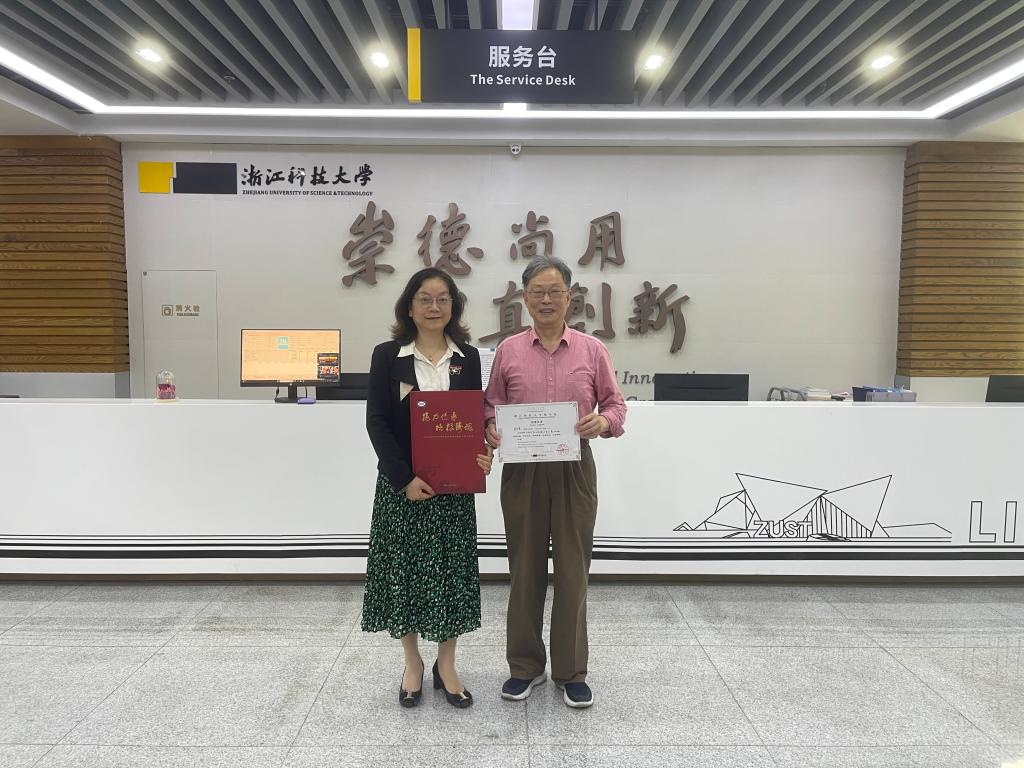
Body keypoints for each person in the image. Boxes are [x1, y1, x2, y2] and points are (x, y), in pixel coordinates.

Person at [484, 255, 627, 709]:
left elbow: (616, 406)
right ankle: (525, 667)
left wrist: (602, 423)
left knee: (572, 572)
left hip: (574, 468)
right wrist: (491, 427)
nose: (546, 299)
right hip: (522, 470)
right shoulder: (508, 350)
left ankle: (571, 671)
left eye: (554, 291)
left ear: (569, 297)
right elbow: (490, 405)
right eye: (537, 292)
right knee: (524, 570)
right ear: (525, 299)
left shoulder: (592, 349)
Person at [362, 267, 493, 709]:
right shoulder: (388, 355)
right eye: (425, 298)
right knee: (404, 575)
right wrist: (403, 478)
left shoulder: (468, 357)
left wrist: (482, 454)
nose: (434, 307)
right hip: (402, 488)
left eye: (442, 299)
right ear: (409, 306)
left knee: (451, 575)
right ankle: (413, 663)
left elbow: (472, 419)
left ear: (454, 306)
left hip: (453, 490)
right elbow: (377, 421)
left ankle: (447, 664)